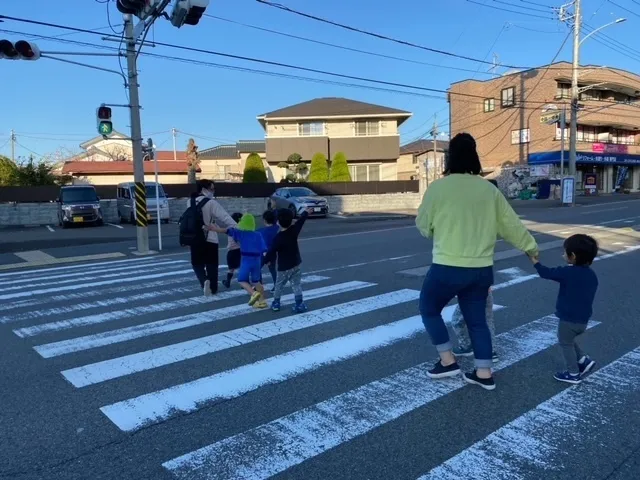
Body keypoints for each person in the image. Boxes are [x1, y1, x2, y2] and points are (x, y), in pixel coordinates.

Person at [416, 133, 539, 391]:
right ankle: (484, 373)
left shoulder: (438, 188)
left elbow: (424, 226)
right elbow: (510, 224)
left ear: (450, 157)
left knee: (429, 309)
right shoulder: (488, 189)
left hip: (447, 268)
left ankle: (448, 361)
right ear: (475, 156)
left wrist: (436, 230)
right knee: (477, 321)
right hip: (480, 270)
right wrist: (530, 247)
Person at [530, 234, 599, 384]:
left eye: (564, 252)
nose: (563, 254)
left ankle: (573, 373)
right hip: (583, 319)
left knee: (565, 343)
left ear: (572, 256)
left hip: (568, 319)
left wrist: (535, 262)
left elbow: (546, 273)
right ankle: (583, 361)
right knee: (568, 340)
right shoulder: (592, 275)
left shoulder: (568, 272)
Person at [208, 213, 268, 309]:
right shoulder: (258, 234)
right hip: (257, 260)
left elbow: (227, 231)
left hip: (246, 259)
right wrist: (266, 257)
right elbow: (264, 248)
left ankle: (254, 293)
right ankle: (262, 301)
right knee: (256, 281)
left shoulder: (241, 233)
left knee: (242, 280)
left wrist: (216, 229)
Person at [188, 179, 237, 297]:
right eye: (212, 189)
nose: (213, 191)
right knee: (212, 264)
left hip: (194, 238)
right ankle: (213, 288)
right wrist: (236, 226)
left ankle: (204, 281)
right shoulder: (211, 203)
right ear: (204, 190)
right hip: (210, 237)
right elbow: (224, 217)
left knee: (197, 264)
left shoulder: (190, 201)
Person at [264, 207, 314, 313]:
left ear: (278, 222)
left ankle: (276, 303)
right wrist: (305, 212)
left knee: (279, 285)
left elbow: (271, 252)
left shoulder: (278, 238)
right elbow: (301, 221)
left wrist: (265, 260)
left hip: (283, 267)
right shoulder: (294, 230)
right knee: (296, 284)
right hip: (296, 263)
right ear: (291, 220)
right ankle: (299, 304)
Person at [451, 288, 498, 363]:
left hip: (469, 296)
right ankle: (491, 352)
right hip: (485, 292)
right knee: (486, 321)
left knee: (457, 321)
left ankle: (466, 346)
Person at [258, 209, 280, 289]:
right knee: (272, 270)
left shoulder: (262, 232)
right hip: (273, 253)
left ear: (264, 220)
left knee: (257, 269)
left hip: (264, 255)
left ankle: (259, 285)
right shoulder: (277, 228)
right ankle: (276, 285)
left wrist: (267, 259)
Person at [221, 212, 243, 288]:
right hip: (239, 250)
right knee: (241, 267)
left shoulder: (230, 228)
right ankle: (243, 283)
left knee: (231, 268)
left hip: (231, 251)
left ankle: (228, 282)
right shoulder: (241, 228)